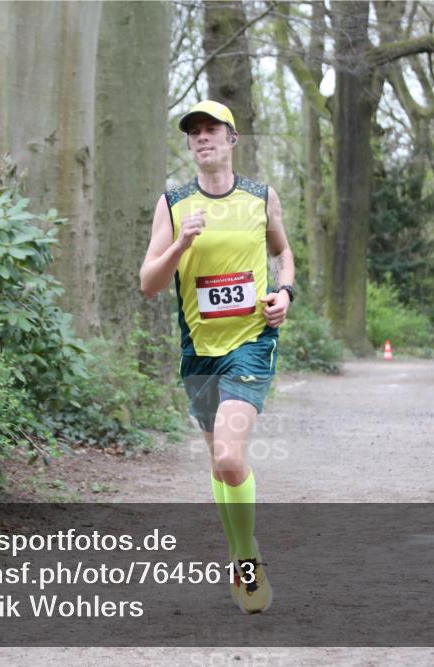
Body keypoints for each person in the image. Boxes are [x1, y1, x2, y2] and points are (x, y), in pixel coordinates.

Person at [139, 100, 295, 614]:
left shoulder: (259, 197)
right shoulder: (174, 204)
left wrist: (286, 293)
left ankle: (247, 557)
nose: (203, 137)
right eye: (194, 132)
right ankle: (238, 550)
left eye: (213, 129)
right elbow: (149, 284)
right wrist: (180, 244)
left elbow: (282, 252)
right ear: (188, 145)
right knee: (218, 461)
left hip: (251, 342)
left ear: (232, 139)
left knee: (229, 456)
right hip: (198, 351)